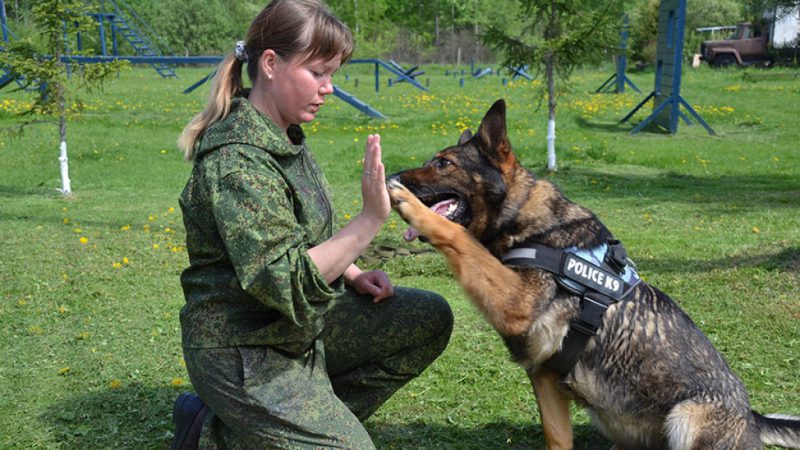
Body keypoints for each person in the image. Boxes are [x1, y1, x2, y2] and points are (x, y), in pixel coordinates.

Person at [171, 0, 454, 448]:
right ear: (270, 64)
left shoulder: (283, 136)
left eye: (333, 74)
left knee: (428, 317)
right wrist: (369, 219)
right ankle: (212, 434)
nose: (329, 88)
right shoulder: (237, 165)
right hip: (247, 349)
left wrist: (354, 273)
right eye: (318, 72)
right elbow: (287, 282)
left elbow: (302, 236)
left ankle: (290, 424)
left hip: (298, 330)